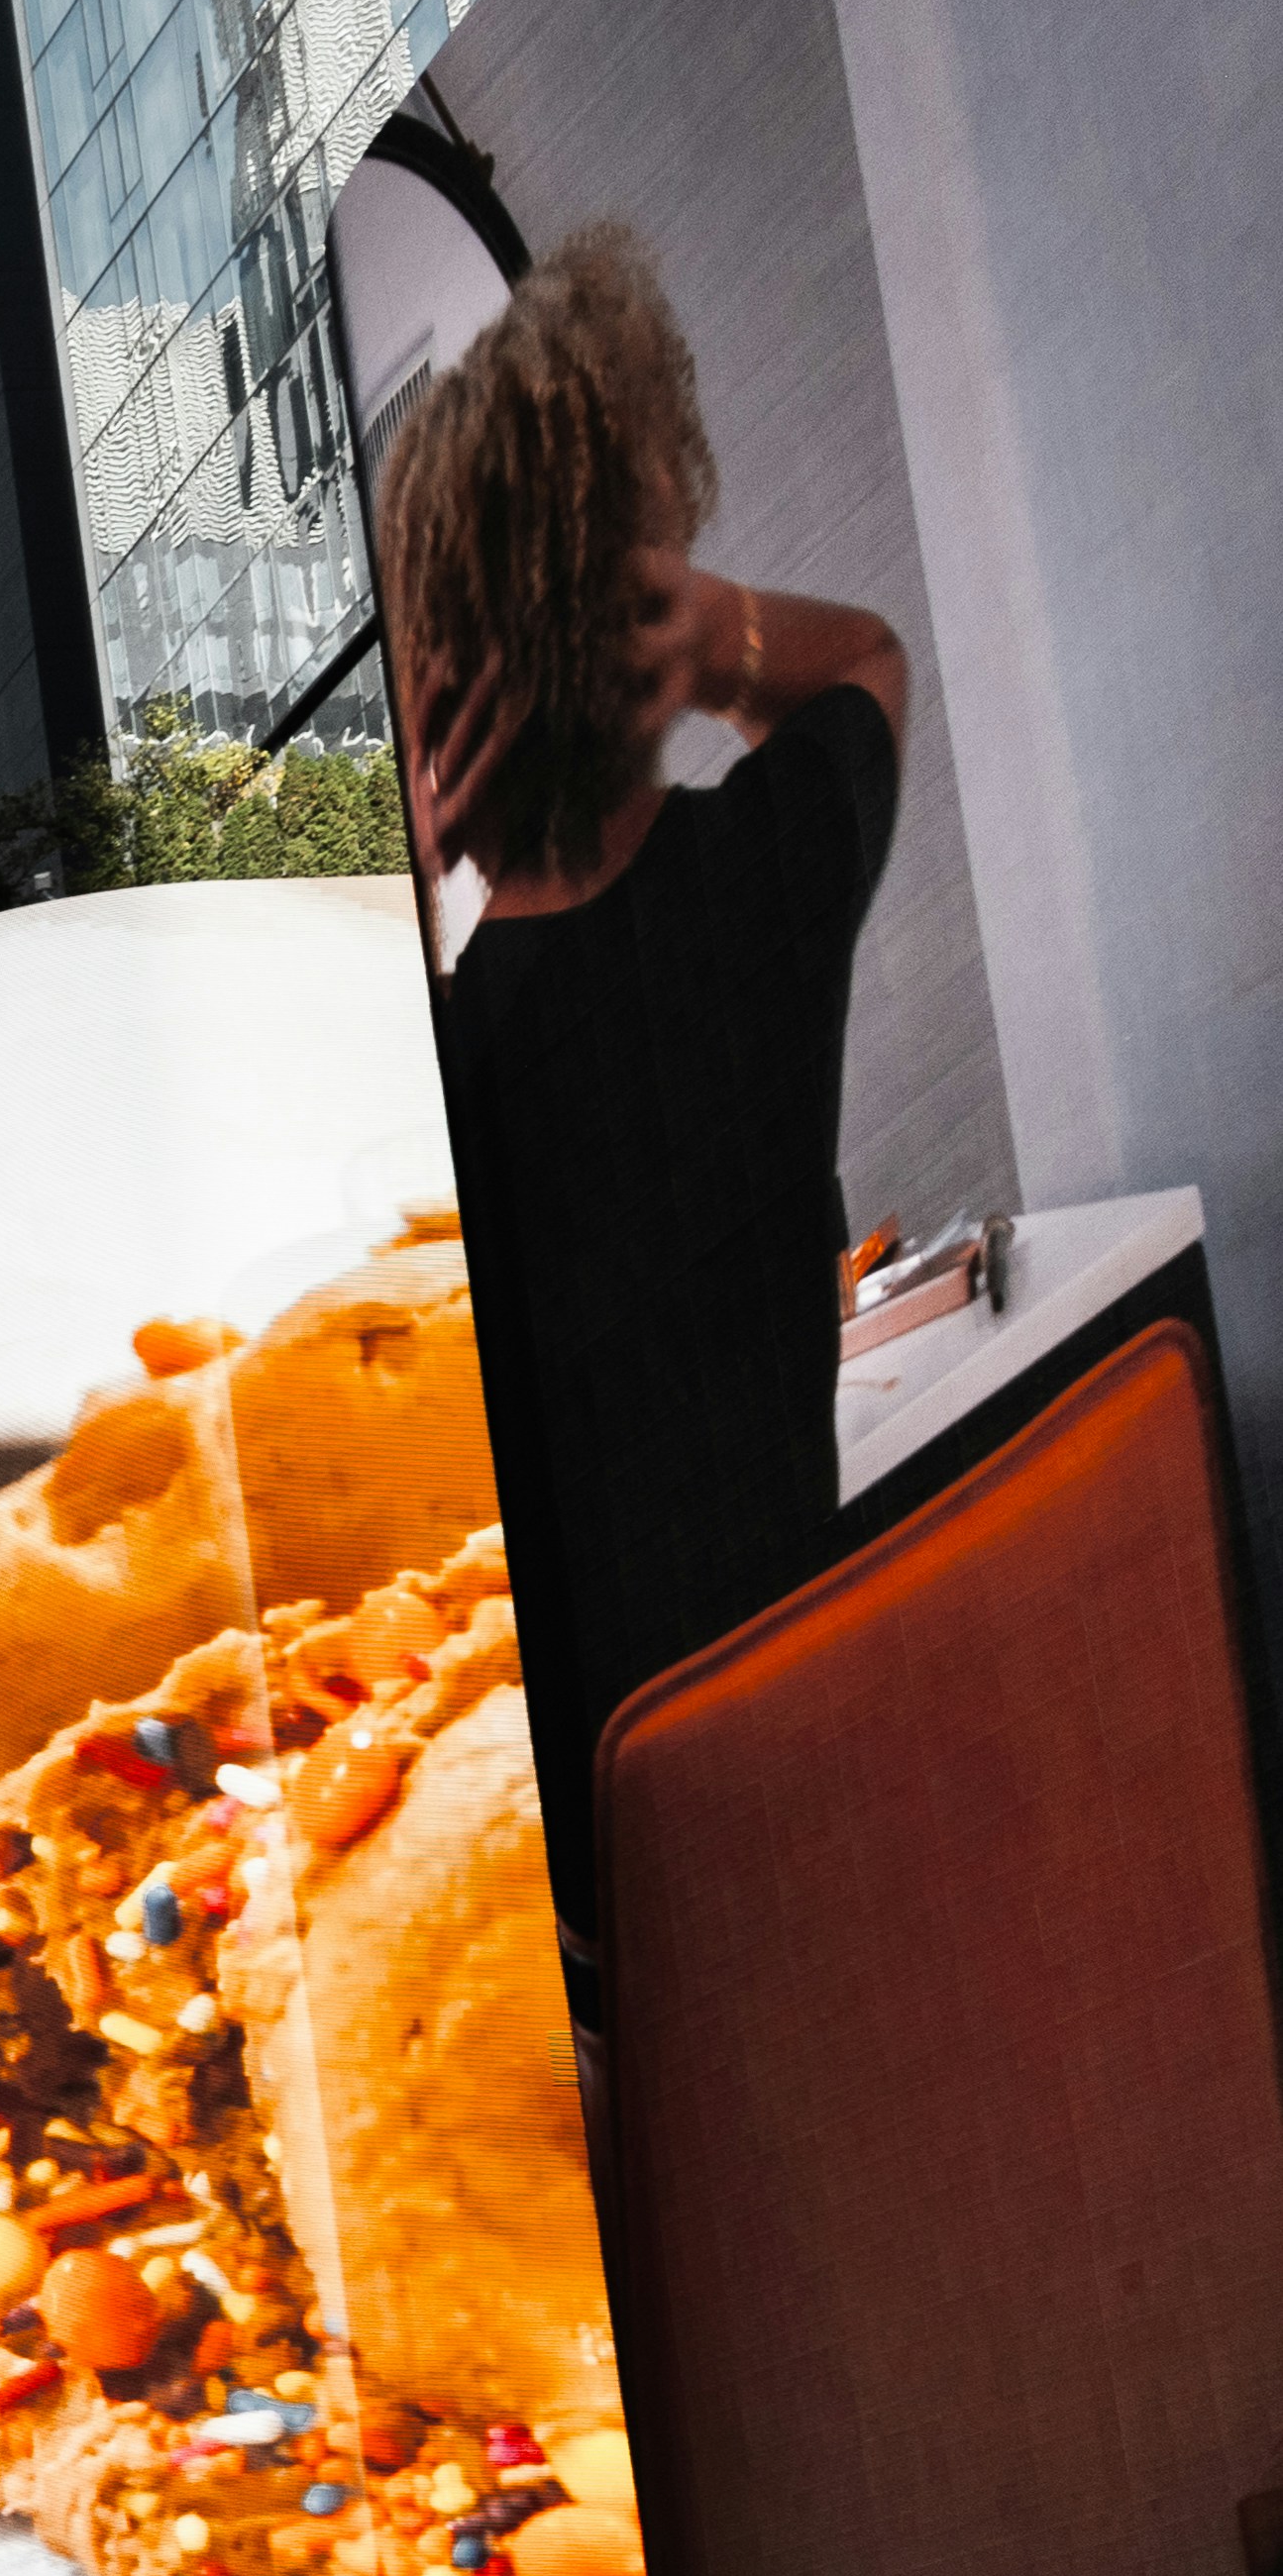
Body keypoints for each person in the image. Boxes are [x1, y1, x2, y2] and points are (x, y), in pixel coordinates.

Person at [374, 223, 920, 1852]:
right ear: (644, 592)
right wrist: (723, 633)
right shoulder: (763, 893)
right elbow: (867, 664)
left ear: (434, 693)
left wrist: (395, 890)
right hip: (805, 1803)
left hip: (585, 1916)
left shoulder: (435, 1095)